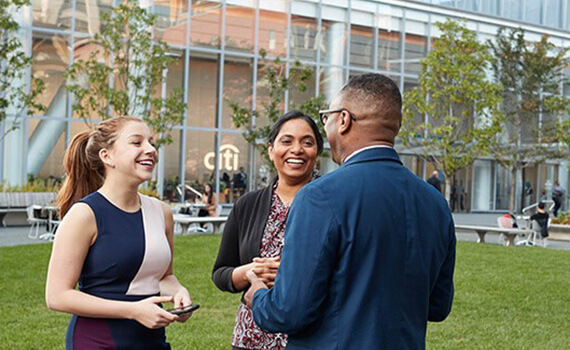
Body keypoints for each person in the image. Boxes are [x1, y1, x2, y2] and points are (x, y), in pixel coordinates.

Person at [243, 73, 456, 349]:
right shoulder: (435, 203)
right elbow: (437, 307)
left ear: (343, 120)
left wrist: (258, 296)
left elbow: (289, 311)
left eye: (326, 117)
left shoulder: (319, 197)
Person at [46, 116, 193, 349]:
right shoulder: (84, 215)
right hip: (97, 341)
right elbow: (57, 296)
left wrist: (178, 293)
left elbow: (163, 277)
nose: (150, 150)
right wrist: (133, 311)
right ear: (107, 156)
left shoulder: (161, 212)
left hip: (151, 341)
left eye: (151, 143)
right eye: (137, 142)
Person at [212, 110, 324, 350]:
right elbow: (220, 272)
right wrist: (250, 272)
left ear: (317, 154)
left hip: (311, 338)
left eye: (307, 142)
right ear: (271, 149)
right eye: (286, 141)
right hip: (251, 337)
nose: (297, 149)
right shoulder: (247, 204)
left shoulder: (330, 204)